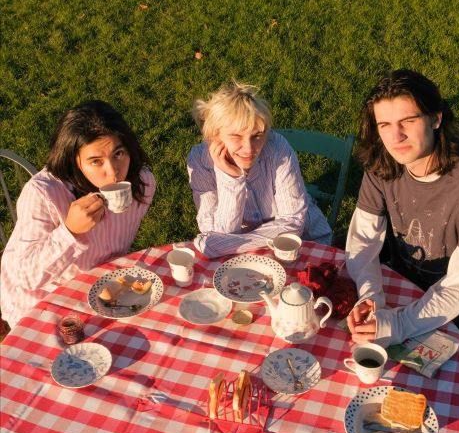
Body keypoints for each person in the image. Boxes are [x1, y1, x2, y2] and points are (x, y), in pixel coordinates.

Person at [346, 69, 459, 374]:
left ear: (436, 118)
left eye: (408, 121)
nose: (396, 137)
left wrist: (400, 322)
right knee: (349, 336)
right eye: (385, 125)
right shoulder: (383, 162)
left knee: (441, 377)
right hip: (405, 272)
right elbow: (363, 239)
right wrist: (371, 295)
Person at [0, 100, 156, 329]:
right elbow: (26, 278)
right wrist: (69, 232)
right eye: (96, 161)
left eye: (118, 153)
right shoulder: (44, 194)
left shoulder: (143, 184)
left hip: (98, 287)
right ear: (75, 162)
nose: (113, 173)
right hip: (38, 302)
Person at [187, 81, 332, 258]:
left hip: (304, 244)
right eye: (236, 136)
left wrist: (225, 245)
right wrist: (230, 178)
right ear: (213, 135)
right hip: (243, 255)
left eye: (257, 136)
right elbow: (216, 233)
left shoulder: (277, 147)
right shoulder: (199, 161)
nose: (249, 149)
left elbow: (293, 223)